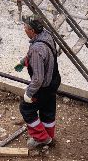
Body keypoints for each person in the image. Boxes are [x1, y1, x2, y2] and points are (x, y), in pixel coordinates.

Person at [14, 16, 60, 149]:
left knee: (26, 109)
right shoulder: (47, 35)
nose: (24, 30)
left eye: (25, 27)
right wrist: (24, 61)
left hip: (43, 87)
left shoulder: (36, 49)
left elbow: (38, 79)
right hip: (54, 81)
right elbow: (44, 56)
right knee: (47, 109)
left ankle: (42, 139)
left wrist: (29, 93)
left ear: (32, 31)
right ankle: (49, 135)